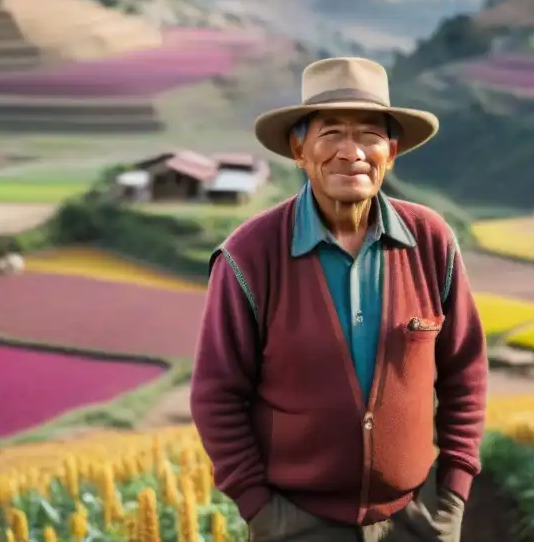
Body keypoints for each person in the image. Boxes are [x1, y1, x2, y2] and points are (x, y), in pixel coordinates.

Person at [190, 57, 488, 541]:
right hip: (296, 525)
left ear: (391, 153)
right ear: (299, 150)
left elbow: (465, 374)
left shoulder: (431, 241)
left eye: (370, 135)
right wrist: (261, 511)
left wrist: (450, 496)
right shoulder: (249, 257)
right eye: (330, 134)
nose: (351, 153)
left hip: (415, 521)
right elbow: (215, 394)